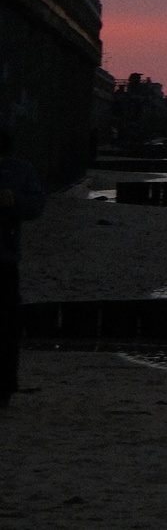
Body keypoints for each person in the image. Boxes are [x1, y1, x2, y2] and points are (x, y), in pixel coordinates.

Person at [0, 124, 45, 406]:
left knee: (7, 324)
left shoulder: (19, 171)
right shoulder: (20, 171)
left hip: (4, 258)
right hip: (6, 257)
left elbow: (36, 206)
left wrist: (13, 201)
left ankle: (5, 386)